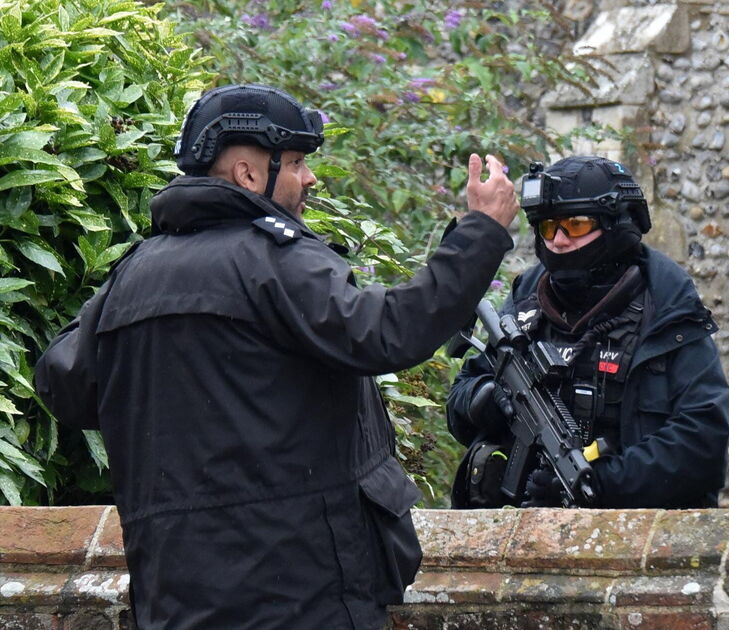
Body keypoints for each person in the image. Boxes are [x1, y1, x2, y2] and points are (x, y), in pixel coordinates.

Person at [34, 84, 518, 630]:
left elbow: (62, 385)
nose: (308, 178)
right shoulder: (274, 261)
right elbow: (390, 333)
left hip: (176, 599)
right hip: (299, 593)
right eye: (295, 163)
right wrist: (482, 233)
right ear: (247, 173)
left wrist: (118, 307)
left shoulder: (132, 275)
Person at [445, 155, 729, 509]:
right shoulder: (527, 299)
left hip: (633, 543)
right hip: (514, 535)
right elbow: (460, 402)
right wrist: (488, 399)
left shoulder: (666, 307)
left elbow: (702, 445)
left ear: (616, 226)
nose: (559, 241)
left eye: (575, 225)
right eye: (548, 227)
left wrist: (601, 483)